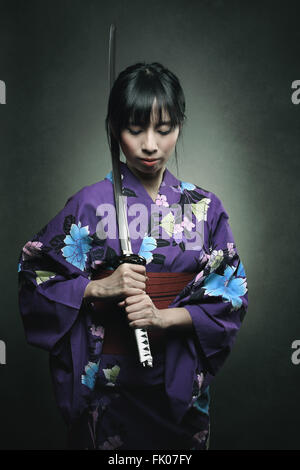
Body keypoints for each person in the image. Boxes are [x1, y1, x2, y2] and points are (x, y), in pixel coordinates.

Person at [18, 62, 248, 450]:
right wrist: (96, 288)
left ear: (179, 126)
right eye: (135, 129)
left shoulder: (204, 207)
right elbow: (35, 272)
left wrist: (162, 316)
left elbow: (231, 295)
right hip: (108, 392)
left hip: (176, 385)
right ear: (113, 128)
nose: (150, 145)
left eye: (164, 129)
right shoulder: (89, 203)